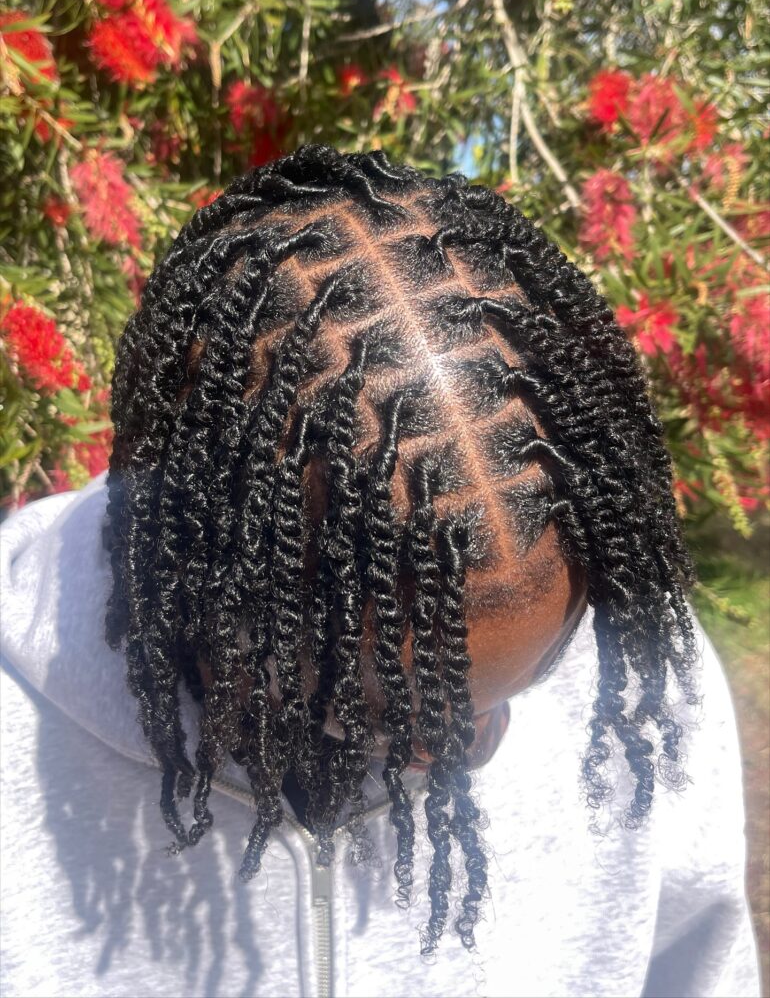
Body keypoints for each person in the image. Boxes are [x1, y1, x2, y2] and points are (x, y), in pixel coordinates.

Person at [0, 144, 760, 998]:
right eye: (385, 713)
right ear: (214, 605)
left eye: (541, 670)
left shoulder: (644, 677)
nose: (467, 751)